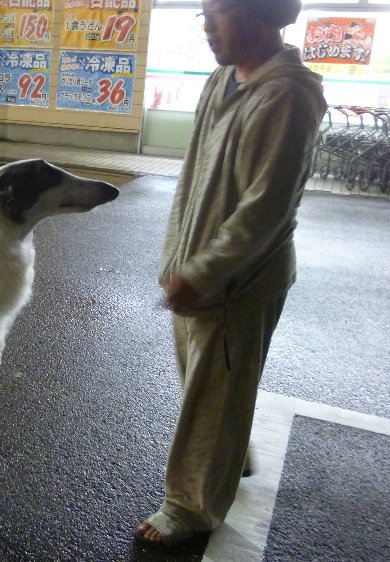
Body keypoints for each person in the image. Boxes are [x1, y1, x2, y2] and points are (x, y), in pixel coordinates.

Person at [135, 0, 327, 548]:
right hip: (196, 273)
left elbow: (265, 209)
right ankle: (232, 453)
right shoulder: (222, 80)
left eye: (219, 12)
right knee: (210, 387)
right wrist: (178, 261)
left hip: (239, 283)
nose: (208, 27)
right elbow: (192, 178)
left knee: (212, 390)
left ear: (264, 14)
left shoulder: (287, 95)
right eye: (203, 14)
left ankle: (190, 509)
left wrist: (206, 271)